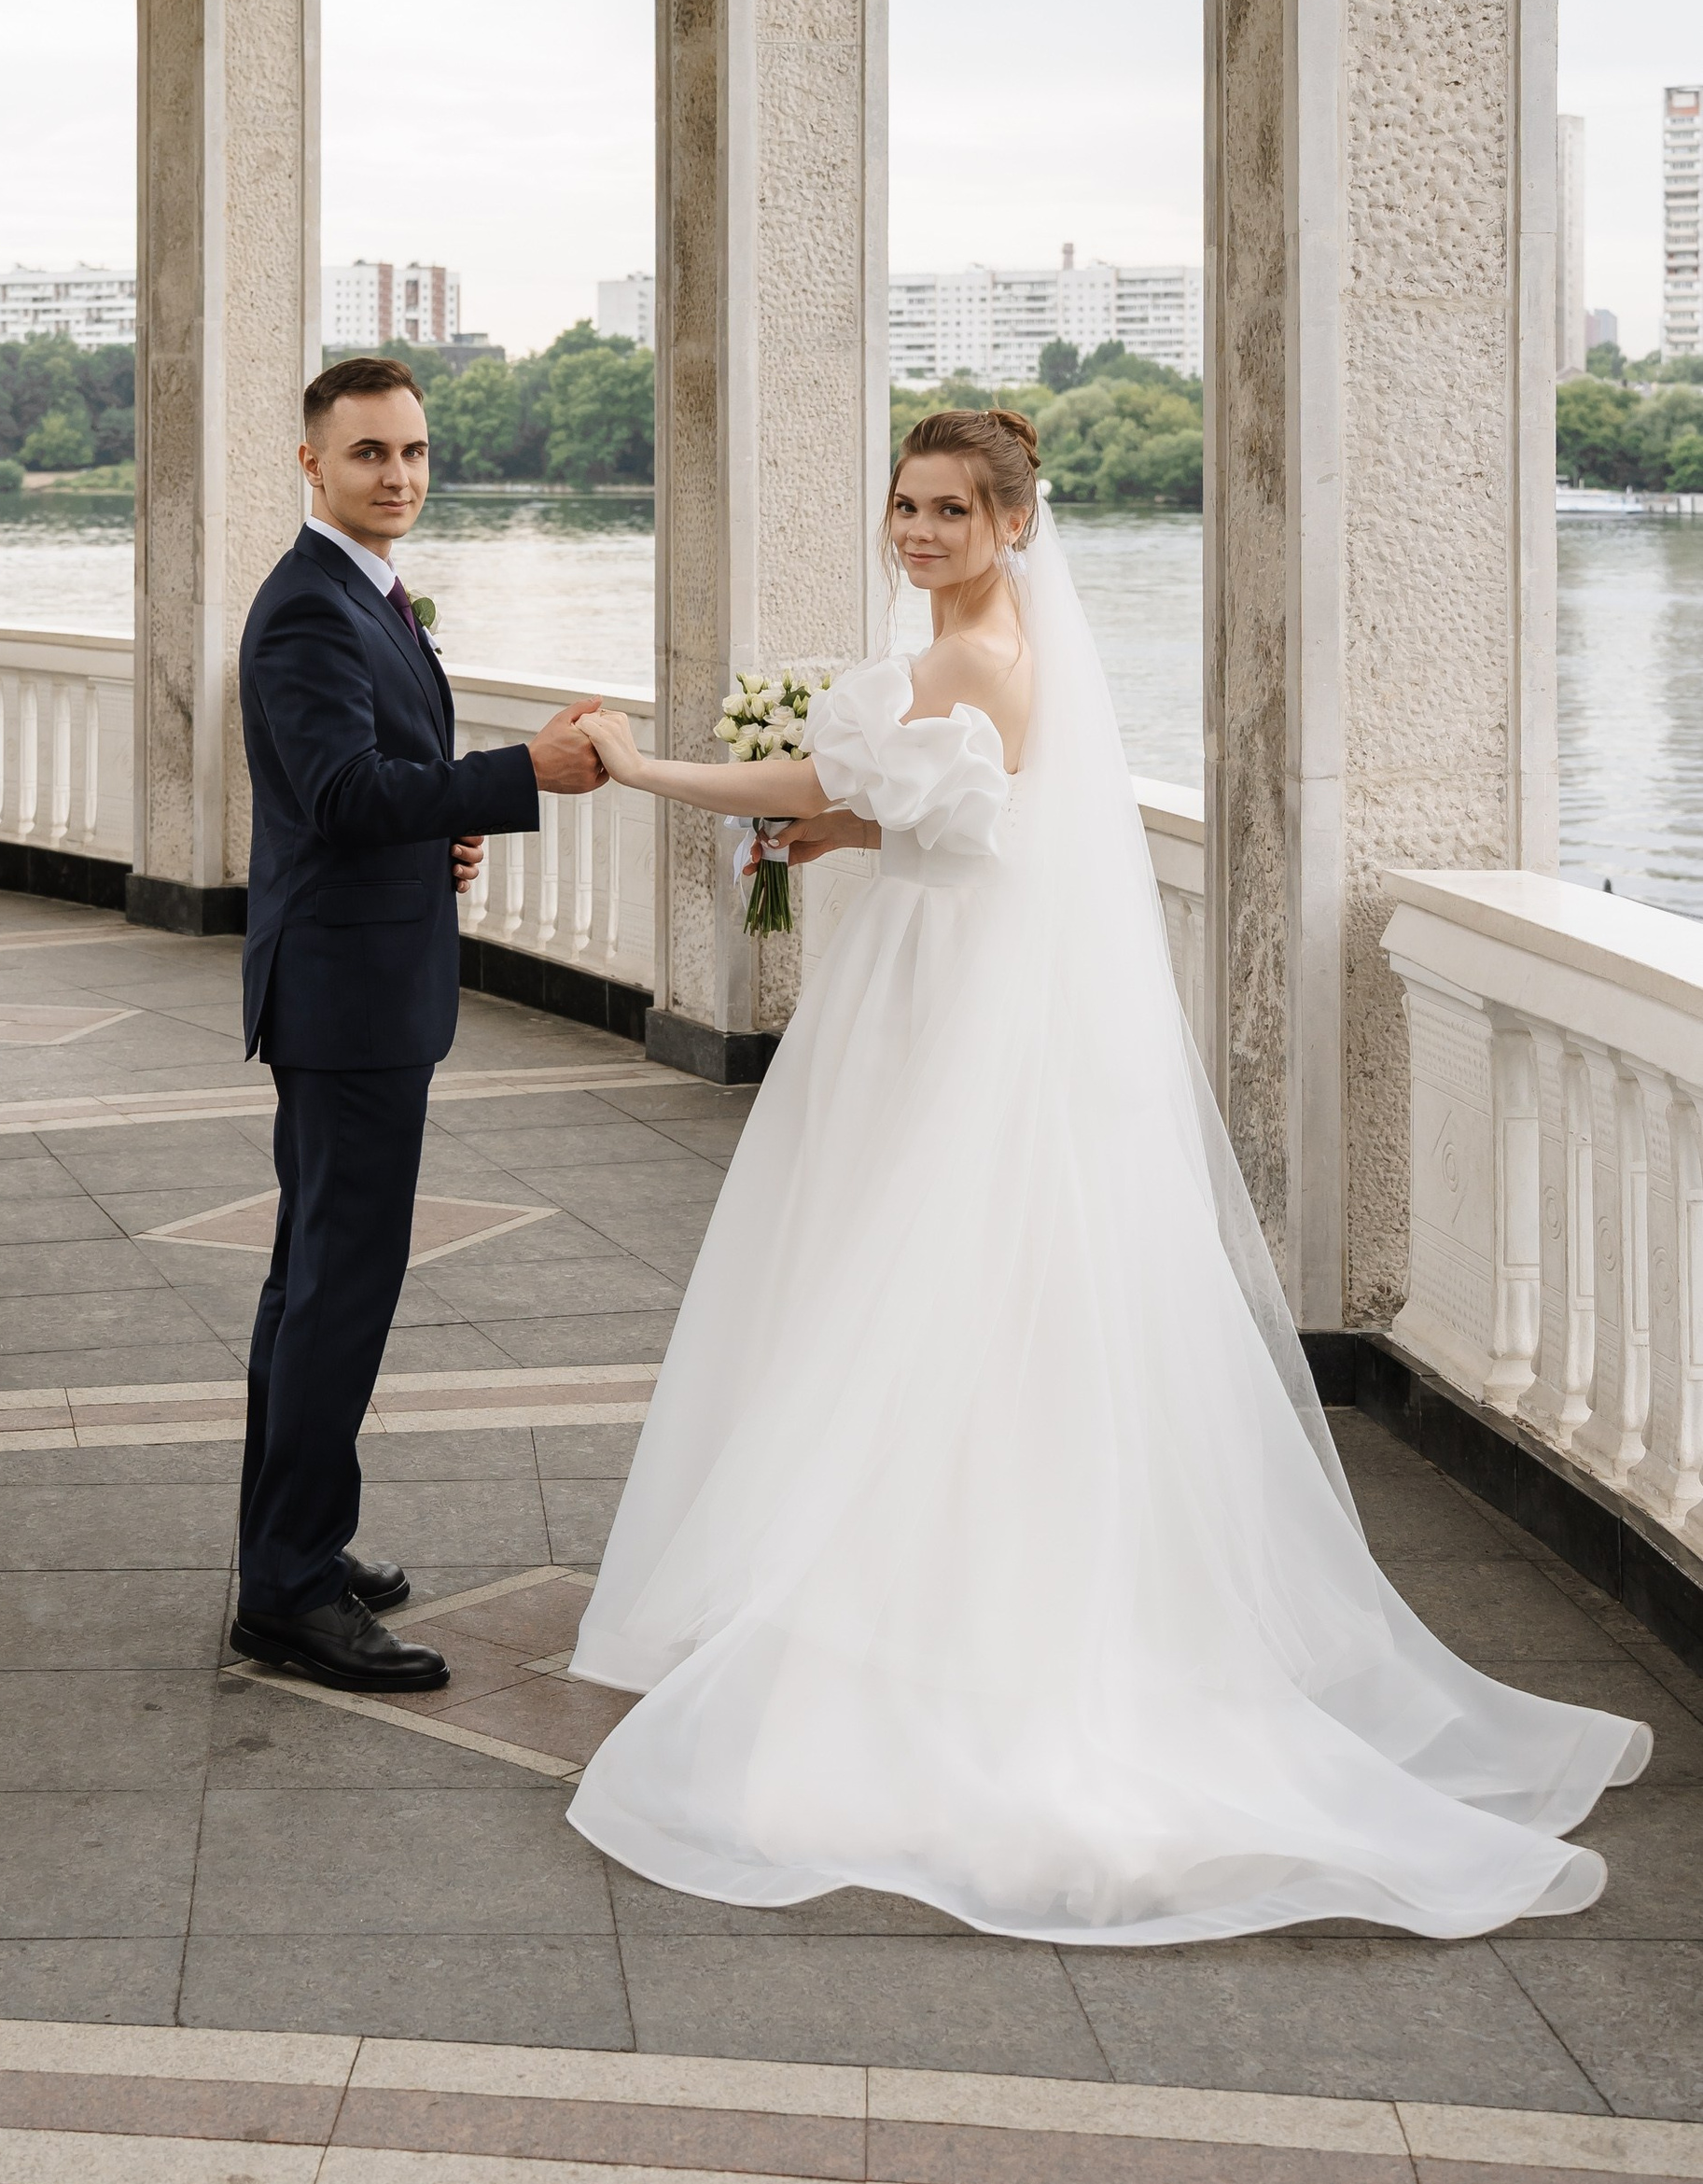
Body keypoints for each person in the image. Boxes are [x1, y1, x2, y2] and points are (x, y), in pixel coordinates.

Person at [560, 406, 1649, 1941]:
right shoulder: (1020, 651)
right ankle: (950, 1607)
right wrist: (839, 833)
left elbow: (809, 772)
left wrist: (647, 767)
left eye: (950, 510)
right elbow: (943, 810)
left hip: (945, 1008)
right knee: (966, 1297)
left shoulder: (966, 656)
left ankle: (933, 1630)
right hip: (962, 978)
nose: (920, 533)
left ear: (1014, 523)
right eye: (905, 506)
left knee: (918, 1290)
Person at [230, 356, 607, 1695]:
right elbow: (335, 790)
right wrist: (521, 776)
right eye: (371, 455)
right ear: (312, 463)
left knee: (313, 1285)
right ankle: (286, 1590)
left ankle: (290, 1551)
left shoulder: (365, 593)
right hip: (346, 1000)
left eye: (416, 453)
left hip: (363, 971)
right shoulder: (307, 611)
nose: (399, 477)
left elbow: (365, 787)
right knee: (339, 1292)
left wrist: (437, 826)